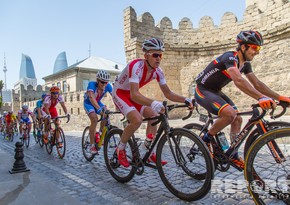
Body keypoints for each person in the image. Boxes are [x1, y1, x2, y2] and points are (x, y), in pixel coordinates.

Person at [194, 30, 290, 170]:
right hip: (202, 90)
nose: (257, 52)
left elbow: (258, 84)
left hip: (215, 91)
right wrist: (261, 97)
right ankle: (205, 139)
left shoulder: (245, 64)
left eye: (259, 48)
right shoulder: (230, 57)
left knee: (237, 119)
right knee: (230, 114)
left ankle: (232, 154)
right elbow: (238, 80)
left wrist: (280, 97)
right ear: (243, 47)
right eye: (255, 48)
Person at [112, 37, 194, 167]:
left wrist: (185, 99)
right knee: (137, 120)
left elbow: (168, 93)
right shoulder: (136, 66)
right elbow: (134, 94)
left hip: (133, 95)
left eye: (160, 55)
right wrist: (153, 103)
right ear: (146, 55)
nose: (158, 58)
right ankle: (120, 148)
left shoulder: (158, 72)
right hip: (120, 93)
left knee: (154, 116)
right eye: (155, 55)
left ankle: (149, 151)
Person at [83, 70, 113, 154]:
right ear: (97, 80)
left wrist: (121, 107)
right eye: (102, 82)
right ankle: (92, 145)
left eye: (106, 83)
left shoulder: (108, 86)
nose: (104, 84)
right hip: (88, 103)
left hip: (98, 102)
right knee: (94, 119)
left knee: (106, 113)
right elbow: (92, 98)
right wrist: (98, 109)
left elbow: (115, 96)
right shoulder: (91, 84)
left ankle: (99, 133)